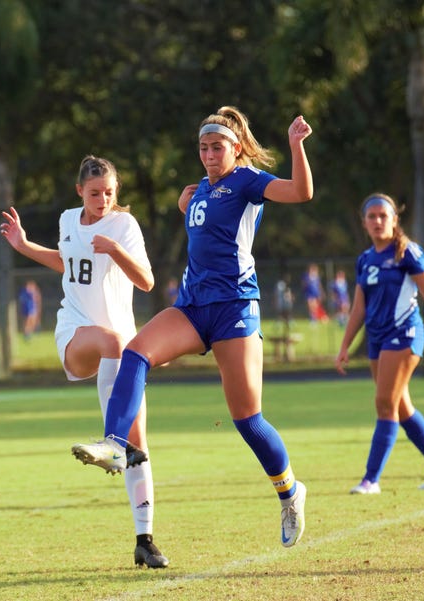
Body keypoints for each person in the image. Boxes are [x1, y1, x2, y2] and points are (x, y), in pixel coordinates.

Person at [72, 107, 314, 548]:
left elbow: (300, 192)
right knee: (135, 352)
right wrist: (188, 203)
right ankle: (114, 444)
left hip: (235, 308)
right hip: (192, 307)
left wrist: (296, 145)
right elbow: (203, 228)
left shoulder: (248, 180)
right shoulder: (199, 191)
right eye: (202, 147)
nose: (208, 154)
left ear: (235, 148)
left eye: (216, 146)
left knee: (247, 419)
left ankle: (290, 491)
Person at [0, 155, 169, 568]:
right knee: (111, 341)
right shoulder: (68, 220)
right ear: (80, 191)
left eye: (110, 192)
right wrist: (24, 246)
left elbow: (146, 280)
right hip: (76, 334)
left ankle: (145, 540)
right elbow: (68, 265)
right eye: (95, 193)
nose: (103, 199)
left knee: (138, 448)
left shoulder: (124, 226)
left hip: (122, 351)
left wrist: (114, 249)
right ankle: (111, 443)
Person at [335, 192, 424, 494]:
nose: (378, 221)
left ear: (394, 219)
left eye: (383, 215)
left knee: (384, 403)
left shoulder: (407, 252)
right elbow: (358, 308)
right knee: (400, 407)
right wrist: (345, 346)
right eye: (372, 216)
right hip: (377, 339)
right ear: (364, 223)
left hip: (404, 335)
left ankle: (370, 479)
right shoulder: (365, 260)